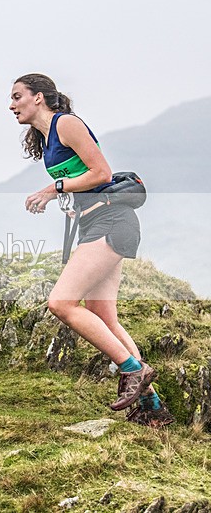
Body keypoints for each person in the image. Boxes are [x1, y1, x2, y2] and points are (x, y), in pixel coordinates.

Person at [9, 73, 174, 427]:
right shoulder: (47, 138)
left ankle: (132, 369)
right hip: (97, 223)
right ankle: (151, 407)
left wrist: (54, 188)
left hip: (112, 222)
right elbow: (85, 180)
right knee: (103, 315)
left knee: (61, 303)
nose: (12, 105)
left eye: (17, 96)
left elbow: (102, 172)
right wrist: (72, 201)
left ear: (39, 97)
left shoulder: (65, 124)